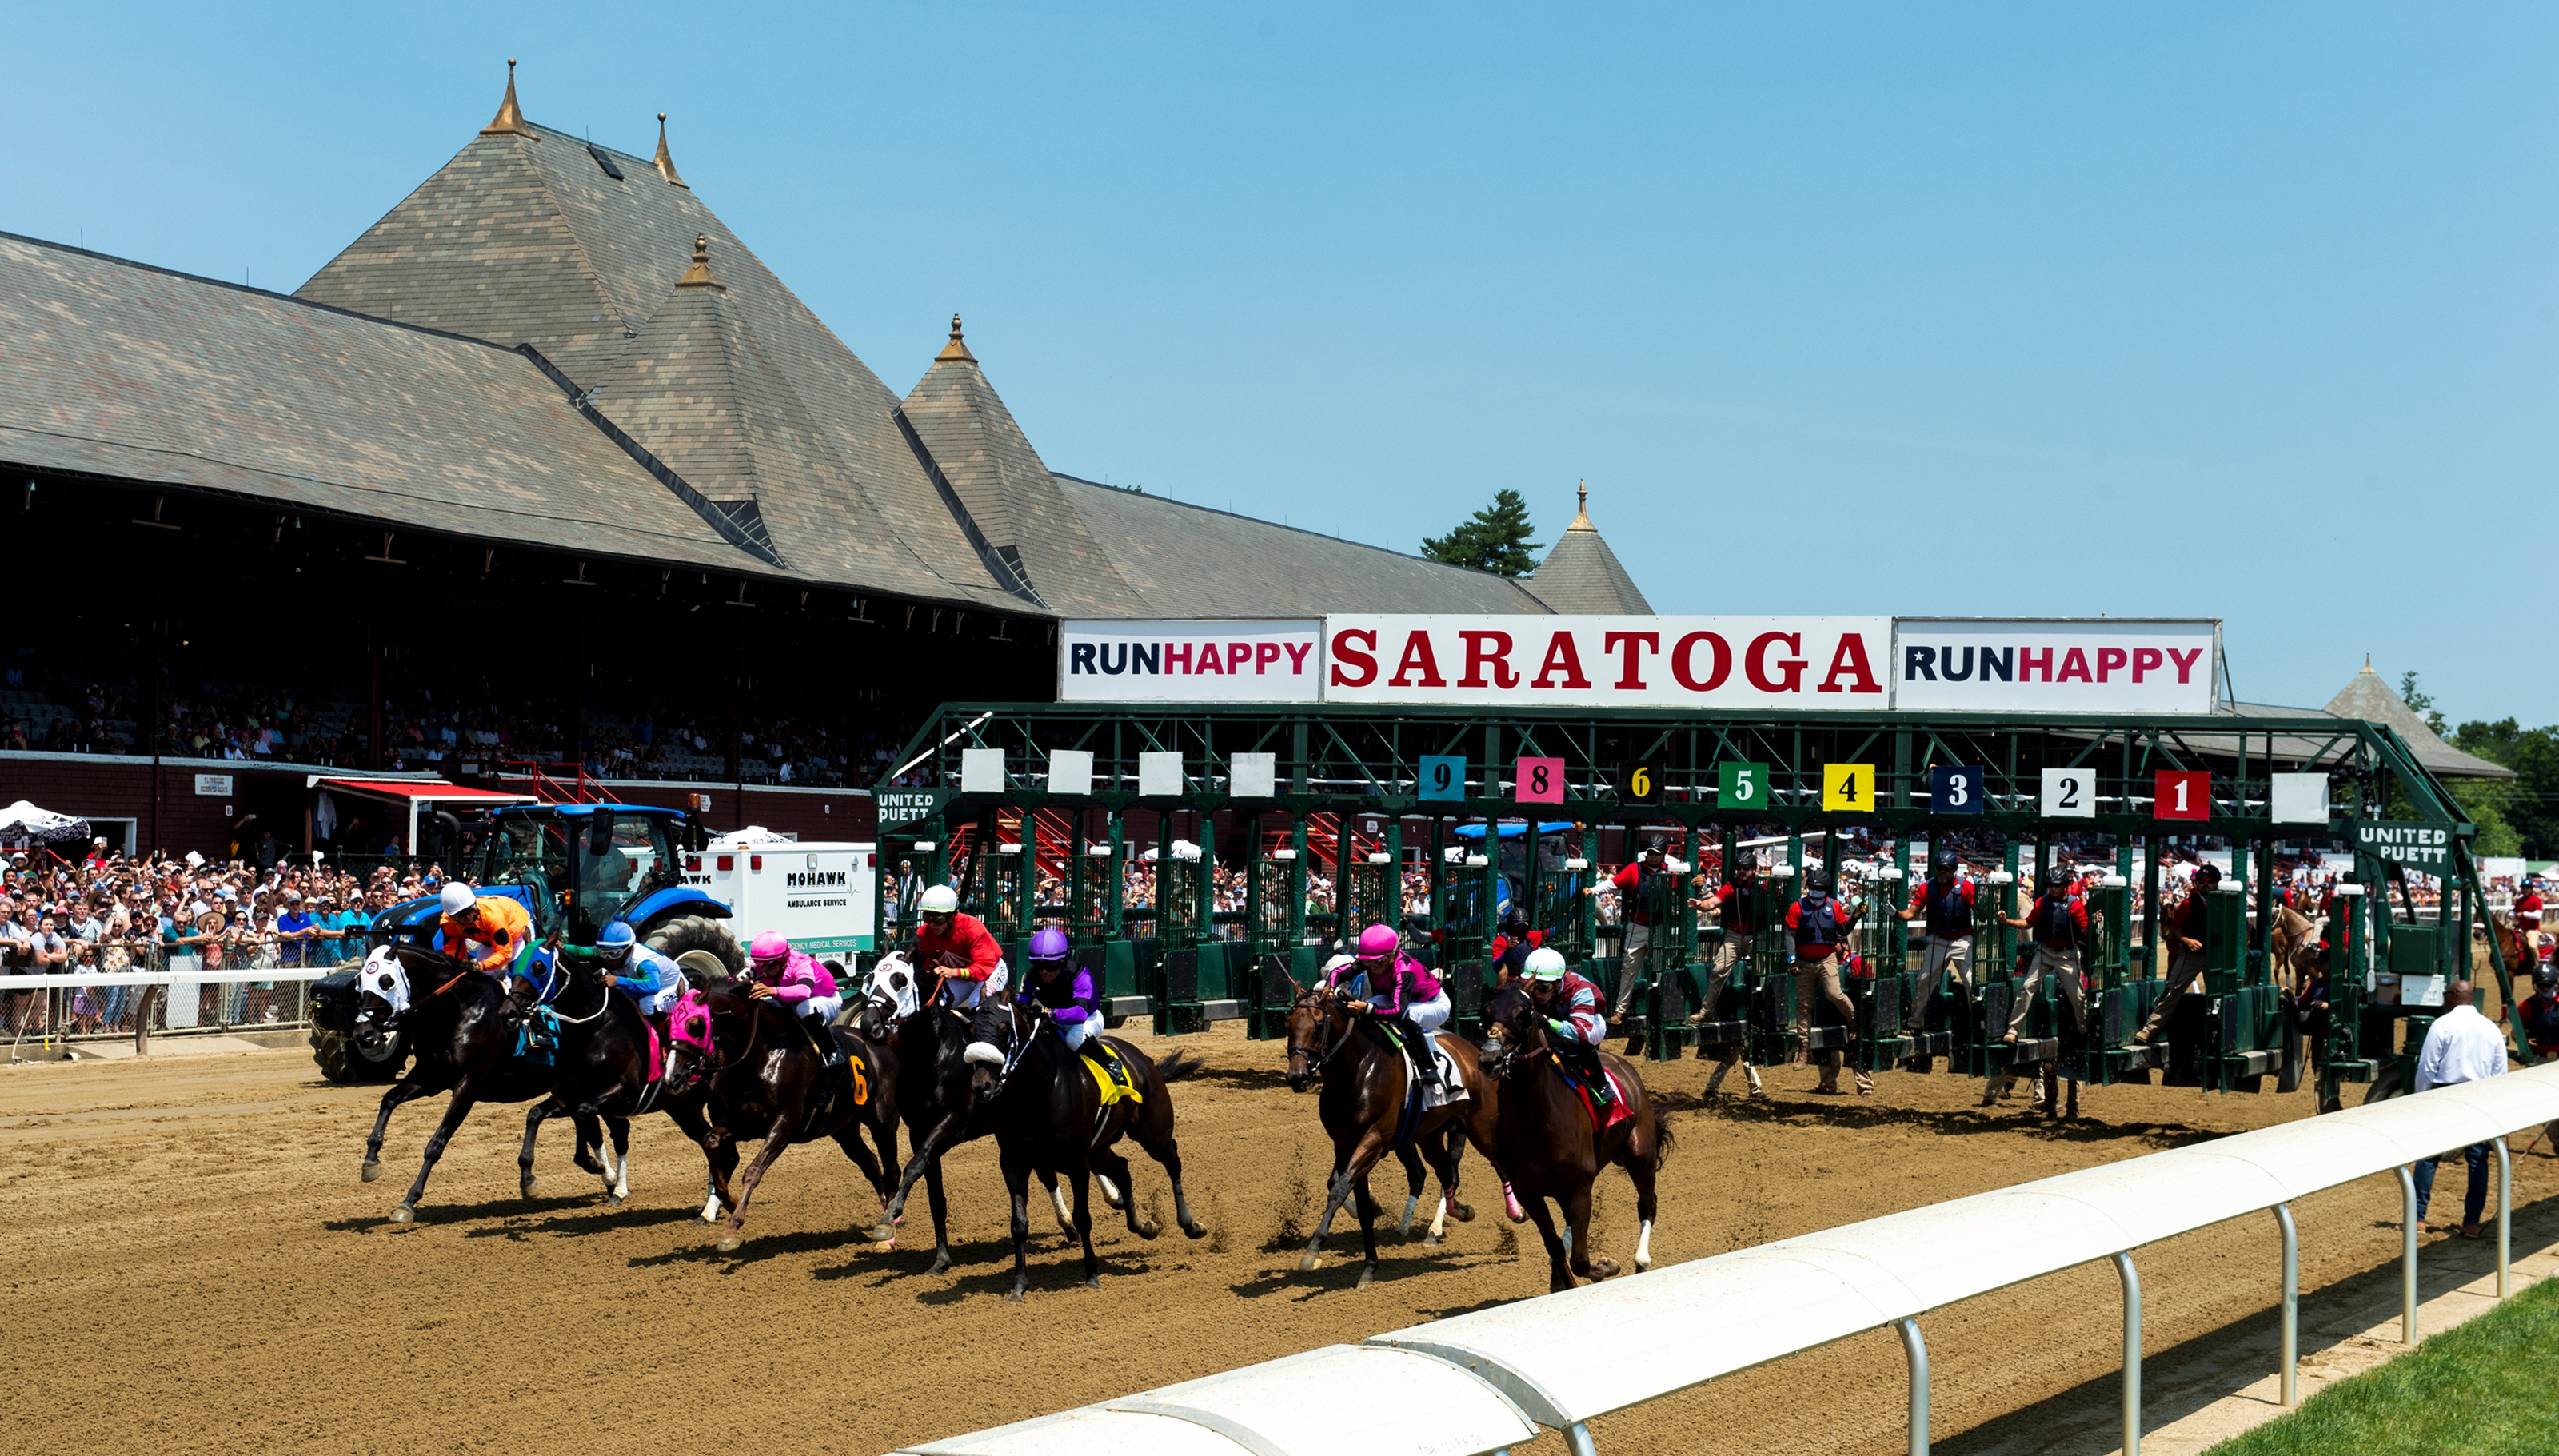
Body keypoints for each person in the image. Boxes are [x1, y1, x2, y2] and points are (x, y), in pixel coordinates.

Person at [2409, 979, 2507, 1238]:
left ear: (2453, 995)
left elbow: (2427, 1067)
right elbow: (2501, 1073)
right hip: (2480, 1098)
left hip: (2446, 1095)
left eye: (2445, 994)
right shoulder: (2491, 1028)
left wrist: (2422, 1098)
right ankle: (2471, 1223)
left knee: (2429, 1156)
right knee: (2478, 1161)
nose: (2443, 999)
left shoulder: (2442, 1024)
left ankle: (2418, 1219)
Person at [1338, 922, 1451, 1095]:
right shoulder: (1373, 961)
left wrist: (1366, 1008)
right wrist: (1329, 987)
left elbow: (1397, 1011)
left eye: (1378, 963)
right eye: (1368, 963)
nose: (1373, 968)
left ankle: (1429, 1068)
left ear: (1392, 956)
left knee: (1406, 1016)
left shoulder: (1404, 970)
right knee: (1368, 1005)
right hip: (1400, 999)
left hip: (1434, 1004)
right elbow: (1339, 973)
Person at [1785, 868, 1870, 1095]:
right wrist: (1791, 959)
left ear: (1826, 891)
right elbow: (1790, 934)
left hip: (1826, 958)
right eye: (1813, 889)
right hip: (1803, 961)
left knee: (1834, 993)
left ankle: (1854, 1021)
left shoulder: (1834, 907)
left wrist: (1856, 916)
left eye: (1820, 890)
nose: (1816, 893)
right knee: (1804, 1006)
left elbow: (1844, 930)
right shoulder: (1797, 907)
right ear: (1808, 889)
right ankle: (1804, 1049)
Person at [1686, 867, 1767, 1100]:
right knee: (1719, 970)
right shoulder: (1732, 886)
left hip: (1757, 935)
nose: (1742, 872)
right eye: (1739, 868)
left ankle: (1766, 1009)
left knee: (1764, 972)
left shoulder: (1763, 886)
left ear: (1754, 870)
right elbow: (1714, 902)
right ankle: (1705, 1010)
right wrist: (1701, 904)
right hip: (1735, 935)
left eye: (1746, 869)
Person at [1589, 836, 1677, 1050]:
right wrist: (1593, 890)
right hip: (1637, 926)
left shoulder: (1674, 872)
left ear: (1663, 854)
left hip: (1661, 928)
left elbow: (1687, 887)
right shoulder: (1633, 869)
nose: (1652, 856)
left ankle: (1663, 1011)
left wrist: (1696, 881)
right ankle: (1620, 1010)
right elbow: (1613, 883)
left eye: (1656, 853)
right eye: (1650, 852)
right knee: (1629, 968)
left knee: (1662, 970)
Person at [916, 884, 1014, 1067]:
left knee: (977, 1005)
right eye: (927, 917)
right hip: (960, 975)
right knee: (938, 1003)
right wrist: (930, 968)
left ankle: (995, 1053)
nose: (932, 924)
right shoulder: (926, 932)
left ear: (952, 916)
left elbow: (984, 968)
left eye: (938, 919)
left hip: (990, 970)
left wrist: (954, 972)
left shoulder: (972, 928)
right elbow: (926, 957)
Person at [1998, 865, 2090, 1047]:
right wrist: (2007, 921)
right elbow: (2028, 923)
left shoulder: (2075, 905)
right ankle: (2013, 1030)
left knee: (2078, 996)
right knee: (2026, 987)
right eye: (2050, 885)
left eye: (2056, 885)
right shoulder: (2042, 902)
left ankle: (2084, 1030)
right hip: (2045, 952)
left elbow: (2085, 931)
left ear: (2065, 885)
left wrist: (2094, 922)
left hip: (2067, 954)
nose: (2053, 889)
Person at [1017, 926, 1124, 1079]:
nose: (1044, 971)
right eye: (1038, 965)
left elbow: (1080, 1013)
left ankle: (1109, 1061)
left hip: (1088, 1019)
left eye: (1050, 965)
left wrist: (1048, 1013)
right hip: (1056, 1019)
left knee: (1073, 1039)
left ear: (1062, 961)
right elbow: (1022, 1003)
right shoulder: (1031, 977)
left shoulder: (1080, 975)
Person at [2133, 863, 2219, 1045]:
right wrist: (2186, 941)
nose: (2205, 884)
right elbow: (2175, 930)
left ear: (2216, 882)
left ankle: (2222, 1034)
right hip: (2192, 955)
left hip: (2216, 956)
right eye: (2201, 881)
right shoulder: (2188, 904)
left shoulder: (2225, 902)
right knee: (2171, 991)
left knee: (2221, 995)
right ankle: (2149, 1030)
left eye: (2209, 881)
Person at [1897, 850, 1978, 1034]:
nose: (1941, 872)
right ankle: (1915, 1023)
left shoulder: (1966, 887)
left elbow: (1980, 908)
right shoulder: (1926, 888)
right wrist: (1896, 914)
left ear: (1954, 870)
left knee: (1971, 981)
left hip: (1962, 939)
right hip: (1938, 940)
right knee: (1924, 979)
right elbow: (1910, 914)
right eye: (1939, 868)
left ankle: (1979, 1024)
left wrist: (1991, 908)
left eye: (1946, 869)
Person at [1522, 946, 1612, 1107]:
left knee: (1575, 1041)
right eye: (1534, 986)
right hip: (1557, 1019)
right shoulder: (1530, 987)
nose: (1537, 993)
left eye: (1544, 987)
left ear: (1558, 983)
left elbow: (1580, 1033)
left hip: (1589, 1025)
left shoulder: (1580, 991)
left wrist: (1548, 1022)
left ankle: (1601, 1085)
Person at [435, 882, 540, 1018]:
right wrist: (456, 968)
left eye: (470, 910)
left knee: (515, 979)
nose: (468, 917)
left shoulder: (492, 917)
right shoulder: (448, 923)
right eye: (461, 915)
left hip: (517, 934)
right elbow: (453, 950)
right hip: (490, 939)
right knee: (480, 978)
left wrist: (480, 965)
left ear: (474, 905)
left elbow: (504, 953)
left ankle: (539, 1029)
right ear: (451, 916)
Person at [741, 931, 844, 1067]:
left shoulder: (800, 964)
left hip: (825, 999)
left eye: (770, 965)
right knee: (765, 1005)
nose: (765, 970)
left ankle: (833, 1051)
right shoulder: (762, 968)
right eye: (760, 965)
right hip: (793, 1002)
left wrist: (772, 991)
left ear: (784, 959)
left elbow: (805, 990)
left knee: (804, 1009)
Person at [593, 921, 685, 1019]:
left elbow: (653, 986)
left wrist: (619, 980)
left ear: (627, 951)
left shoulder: (643, 963)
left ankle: (664, 1030)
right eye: (604, 953)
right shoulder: (621, 951)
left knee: (646, 1004)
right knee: (618, 991)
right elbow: (584, 952)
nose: (608, 958)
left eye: (613, 954)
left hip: (671, 987)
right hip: (651, 986)